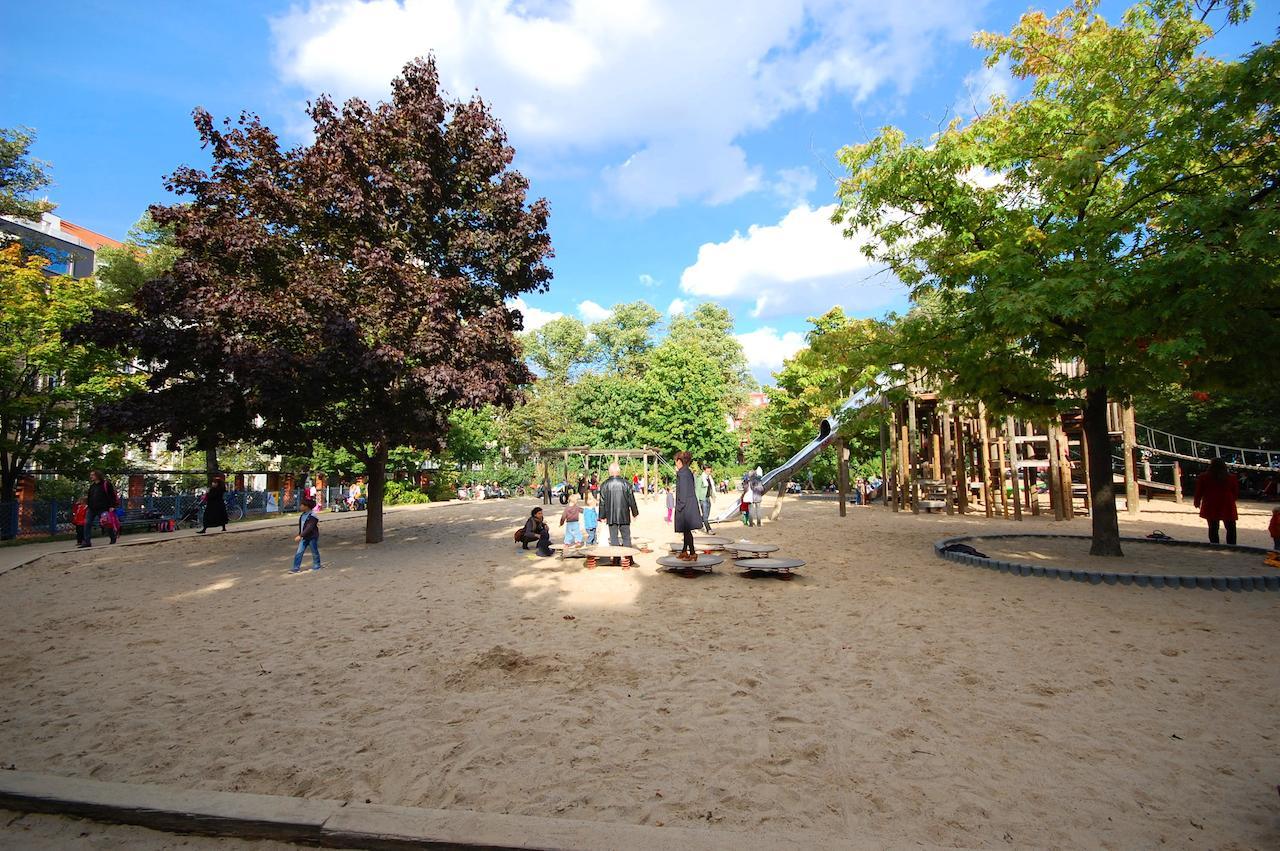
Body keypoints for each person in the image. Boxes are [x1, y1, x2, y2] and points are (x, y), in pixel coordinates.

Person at [1194, 458, 1239, 545]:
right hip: (1227, 502)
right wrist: (1232, 500)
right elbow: (1235, 492)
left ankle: (1215, 545)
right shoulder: (1231, 477)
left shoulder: (1204, 476)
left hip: (1210, 502)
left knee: (1213, 527)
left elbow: (1199, 491)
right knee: (1231, 527)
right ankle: (1232, 546)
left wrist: (1197, 501)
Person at [599, 463, 639, 552]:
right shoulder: (626, 484)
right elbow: (632, 500)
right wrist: (635, 513)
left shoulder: (604, 485)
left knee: (614, 538)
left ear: (609, 472)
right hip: (624, 514)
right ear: (619, 472)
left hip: (611, 515)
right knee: (626, 537)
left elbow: (602, 502)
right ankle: (628, 558)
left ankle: (616, 560)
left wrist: (602, 516)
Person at [673, 451, 703, 561]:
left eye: (676, 461)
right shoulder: (687, 472)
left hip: (686, 506)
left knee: (687, 530)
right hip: (690, 504)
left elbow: (683, 492)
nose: (675, 464)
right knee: (686, 530)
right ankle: (684, 551)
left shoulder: (682, 473)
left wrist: (680, 506)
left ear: (680, 461)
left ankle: (693, 553)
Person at [83, 470, 118, 548]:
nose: (91, 476)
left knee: (106, 523)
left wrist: (112, 506)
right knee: (87, 523)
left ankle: (113, 536)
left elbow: (112, 495)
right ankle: (87, 541)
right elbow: (90, 496)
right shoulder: (92, 486)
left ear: (97, 475)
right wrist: (88, 505)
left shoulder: (106, 484)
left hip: (103, 508)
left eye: (92, 475)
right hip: (92, 508)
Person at [291, 496, 322, 573]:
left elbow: (309, 527)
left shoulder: (312, 516)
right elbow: (301, 526)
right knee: (299, 552)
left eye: (302, 505)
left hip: (311, 537)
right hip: (304, 537)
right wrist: (300, 534)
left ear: (307, 507)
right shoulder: (302, 515)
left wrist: (300, 535)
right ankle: (296, 567)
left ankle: (317, 565)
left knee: (314, 551)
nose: (300, 506)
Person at [699, 465, 715, 534]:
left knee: (706, 515)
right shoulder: (700, 478)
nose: (709, 472)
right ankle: (709, 529)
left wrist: (713, 496)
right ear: (704, 470)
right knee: (705, 515)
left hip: (708, 498)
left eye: (710, 471)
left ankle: (697, 523)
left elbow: (711, 488)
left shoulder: (710, 478)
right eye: (708, 471)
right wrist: (697, 500)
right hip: (703, 498)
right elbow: (697, 489)